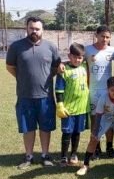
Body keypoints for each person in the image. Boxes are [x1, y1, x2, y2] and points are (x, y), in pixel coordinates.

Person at [6, 16, 61, 169]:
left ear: (42, 30)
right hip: (25, 96)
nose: (34, 31)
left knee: (45, 128)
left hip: (46, 96)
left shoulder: (51, 47)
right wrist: (22, 77)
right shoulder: (16, 47)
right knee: (28, 128)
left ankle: (45, 155)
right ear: (27, 29)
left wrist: (46, 77)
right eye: (32, 28)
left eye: (37, 29)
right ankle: (29, 156)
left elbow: (56, 68)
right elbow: (10, 67)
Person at [76, 77, 114, 176]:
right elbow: (98, 116)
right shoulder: (103, 98)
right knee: (93, 139)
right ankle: (86, 165)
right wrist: (95, 133)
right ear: (108, 89)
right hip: (105, 119)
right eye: (112, 90)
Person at [85, 25, 114, 159]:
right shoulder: (87, 50)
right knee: (95, 120)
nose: (105, 39)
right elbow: (75, 59)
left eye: (107, 37)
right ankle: (96, 147)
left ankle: (109, 147)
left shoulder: (113, 51)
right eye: (102, 36)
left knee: (109, 118)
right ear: (96, 35)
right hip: (93, 91)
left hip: (108, 91)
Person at [55, 43, 90, 167]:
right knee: (67, 133)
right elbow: (59, 89)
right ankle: (64, 156)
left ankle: (74, 153)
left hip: (81, 108)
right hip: (68, 109)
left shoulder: (84, 67)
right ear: (69, 56)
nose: (77, 60)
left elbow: (87, 59)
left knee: (77, 132)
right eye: (75, 57)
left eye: (80, 57)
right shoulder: (64, 70)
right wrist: (60, 105)